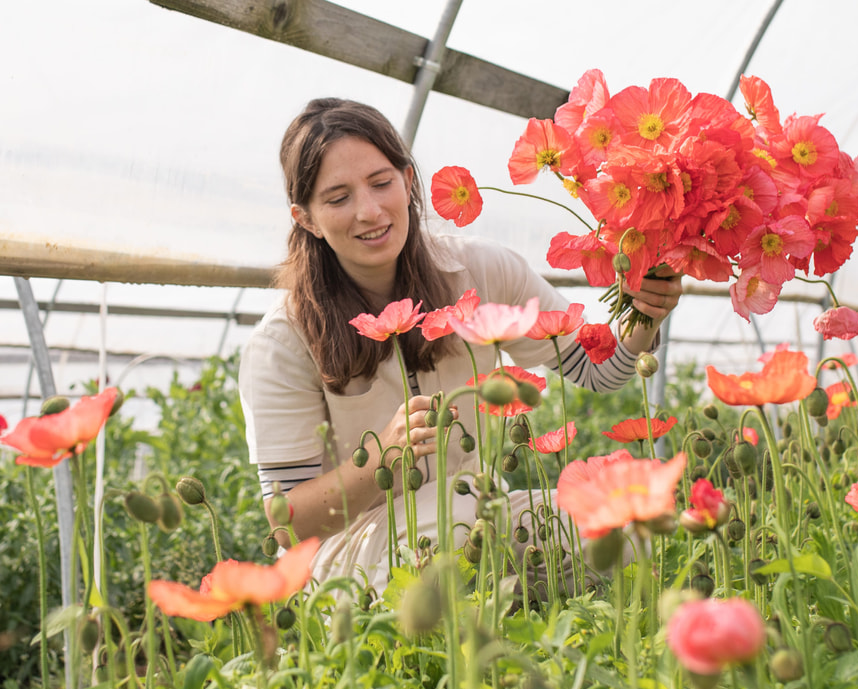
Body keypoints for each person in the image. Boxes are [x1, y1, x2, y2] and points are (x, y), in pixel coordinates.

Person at [238, 98, 682, 593]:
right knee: (454, 525)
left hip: (478, 510)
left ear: (408, 182)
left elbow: (600, 371)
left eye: (381, 183)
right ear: (307, 218)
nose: (369, 211)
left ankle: (512, 613)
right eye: (338, 198)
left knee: (622, 529)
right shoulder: (284, 340)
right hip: (348, 549)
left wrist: (646, 310)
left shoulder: (482, 272)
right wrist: (379, 458)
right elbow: (288, 523)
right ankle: (476, 623)